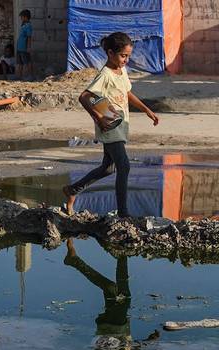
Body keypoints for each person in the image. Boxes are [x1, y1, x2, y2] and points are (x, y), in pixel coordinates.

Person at [63, 32, 160, 217]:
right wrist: (99, 118)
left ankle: (73, 190)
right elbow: (84, 97)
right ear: (110, 53)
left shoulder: (121, 70)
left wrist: (146, 110)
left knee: (109, 167)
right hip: (109, 126)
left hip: (120, 125)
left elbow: (127, 93)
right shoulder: (105, 75)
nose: (126, 60)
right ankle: (123, 212)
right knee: (124, 166)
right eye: (123, 55)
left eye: (128, 56)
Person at [16, 9, 34, 79]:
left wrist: (28, 47)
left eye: (22, 17)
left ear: (25, 17)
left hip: (24, 47)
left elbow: (29, 37)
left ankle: (29, 76)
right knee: (20, 63)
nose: (21, 18)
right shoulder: (23, 25)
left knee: (27, 62)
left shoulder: (28, 25)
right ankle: (19, 76)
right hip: (19, 47)